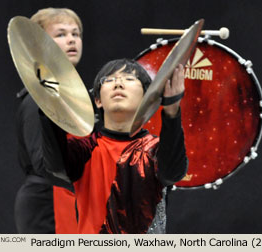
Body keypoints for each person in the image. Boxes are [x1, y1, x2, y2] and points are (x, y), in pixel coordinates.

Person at [40, 58, 188, 233]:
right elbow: (56, 165)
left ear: (146, 98)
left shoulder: (155, 148)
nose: (118, 83)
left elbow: (173, 172)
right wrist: (49, 105)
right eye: (108, 80)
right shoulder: (84, 148)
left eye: (129, 79)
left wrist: (172, 112)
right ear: (98, 101)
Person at [14, 7, 82, 234]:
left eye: (76, 34)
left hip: (67, 199)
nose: (71, 40)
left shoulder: (71, 97)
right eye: (60, 34)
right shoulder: (38, 98)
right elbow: (43, 164)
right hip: (48, 204)